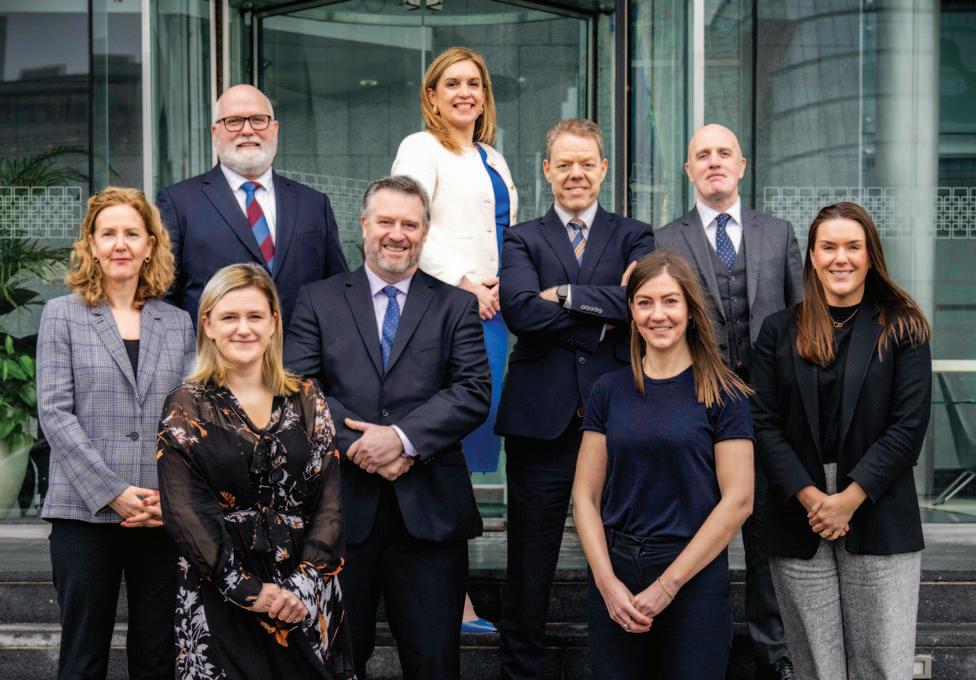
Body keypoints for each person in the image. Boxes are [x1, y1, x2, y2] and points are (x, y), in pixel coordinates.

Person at [283, 175, 491, 680]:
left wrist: (400, 440)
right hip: (337, 516)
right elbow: (295, 386)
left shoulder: (455, 305)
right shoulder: (317, 299)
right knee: (335, 662)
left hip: (430, 517)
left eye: (410, 224)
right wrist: (362, 444)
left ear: (425, 233)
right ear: (364, 225)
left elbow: (472, 391)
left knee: (434, 663)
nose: (397, 234)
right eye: (386, 222)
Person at [496, 118, 655, 680]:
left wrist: (563, 293)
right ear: (547, 170)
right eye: (564, 164)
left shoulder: (636, 235)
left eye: (587, 163)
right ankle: (521, 673)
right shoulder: (521, 238)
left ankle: (618, 668)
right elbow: (520, 311)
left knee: (618, 554)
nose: (576, 174)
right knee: (529, 560)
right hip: (540, 421)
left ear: (604, 169)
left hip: (617, 418)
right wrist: (603, 314)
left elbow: (640, 303)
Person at [750, 202, 931, 680]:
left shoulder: (903, 326)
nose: (841, 258)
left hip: (878, 506)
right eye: (828, 247)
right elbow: (763, 424)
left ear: (871, 255)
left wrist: (848, 499)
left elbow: (909, 427)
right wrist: (813, 499)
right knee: (816, 667)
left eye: (853, 246)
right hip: (799, 512)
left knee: (883, 665)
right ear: (812, 256)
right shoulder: (777, 331)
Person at [156, 263, 356, 680]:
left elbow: (329, 502)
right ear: (208, 325)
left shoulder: (307, 397)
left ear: (273, 323)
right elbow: (185, 511)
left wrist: (301, 586)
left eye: (255, 316)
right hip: (219, 589)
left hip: (303, 589)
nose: (243, 328)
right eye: (229, 317)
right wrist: (248, 590)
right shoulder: (186, 405)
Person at [655, 123, 802, 680]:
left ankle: (775, 655)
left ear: (741, 166)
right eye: (702, 154)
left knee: (765, 533)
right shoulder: (664, 239)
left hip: (768, 410)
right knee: (698, 528)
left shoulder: (779, 233)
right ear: (689, 171)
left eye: (724, 153)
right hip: (697, 405)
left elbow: (802, 320)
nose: (713, 161)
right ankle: (697, 649)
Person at [36, 186, 195, 680]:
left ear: (150, 244)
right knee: (83, 660)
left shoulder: (178, 323)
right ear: (91, 243)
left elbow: (190, 419)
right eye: (108, 234)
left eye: (131, 233)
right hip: (84, 513)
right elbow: (55, 413)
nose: (120, 244)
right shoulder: (61, 314)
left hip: (159, 515)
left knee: (157, 659)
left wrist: (168, 497)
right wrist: (112, 492)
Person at [572, 250, 754, 679]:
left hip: (693, 576)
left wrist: (667, 586)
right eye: (645, 302)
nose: (658, 315)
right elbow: (584, 496)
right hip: (617, 573)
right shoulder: (608, 391)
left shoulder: (725, 394)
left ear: (690, 310)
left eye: (670, 301)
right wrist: (606, 583)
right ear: (632, 312)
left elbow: (739, 501)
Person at [391, 45, 517, 633]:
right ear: (432, 97)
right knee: (442, 450)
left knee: (466, 453)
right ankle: (451, 599)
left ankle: (447, 591)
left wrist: (505, 284)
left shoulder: (493, 156)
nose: (465, 93)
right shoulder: (421, 148)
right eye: (452, 84)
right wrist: (464, 282)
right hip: (446, 309)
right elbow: (407, 223)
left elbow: (502, 234)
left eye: (474, 83)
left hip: (491, 313)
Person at [157, 83, 348, 327]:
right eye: (234, 121)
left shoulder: (314, 204)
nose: (247, 130)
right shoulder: (178, 202)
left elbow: (336, 290)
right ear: (215, 132)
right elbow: (163, 295)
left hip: (299, 351)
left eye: (258, 120)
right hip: (215, 350)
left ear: (275, 129)